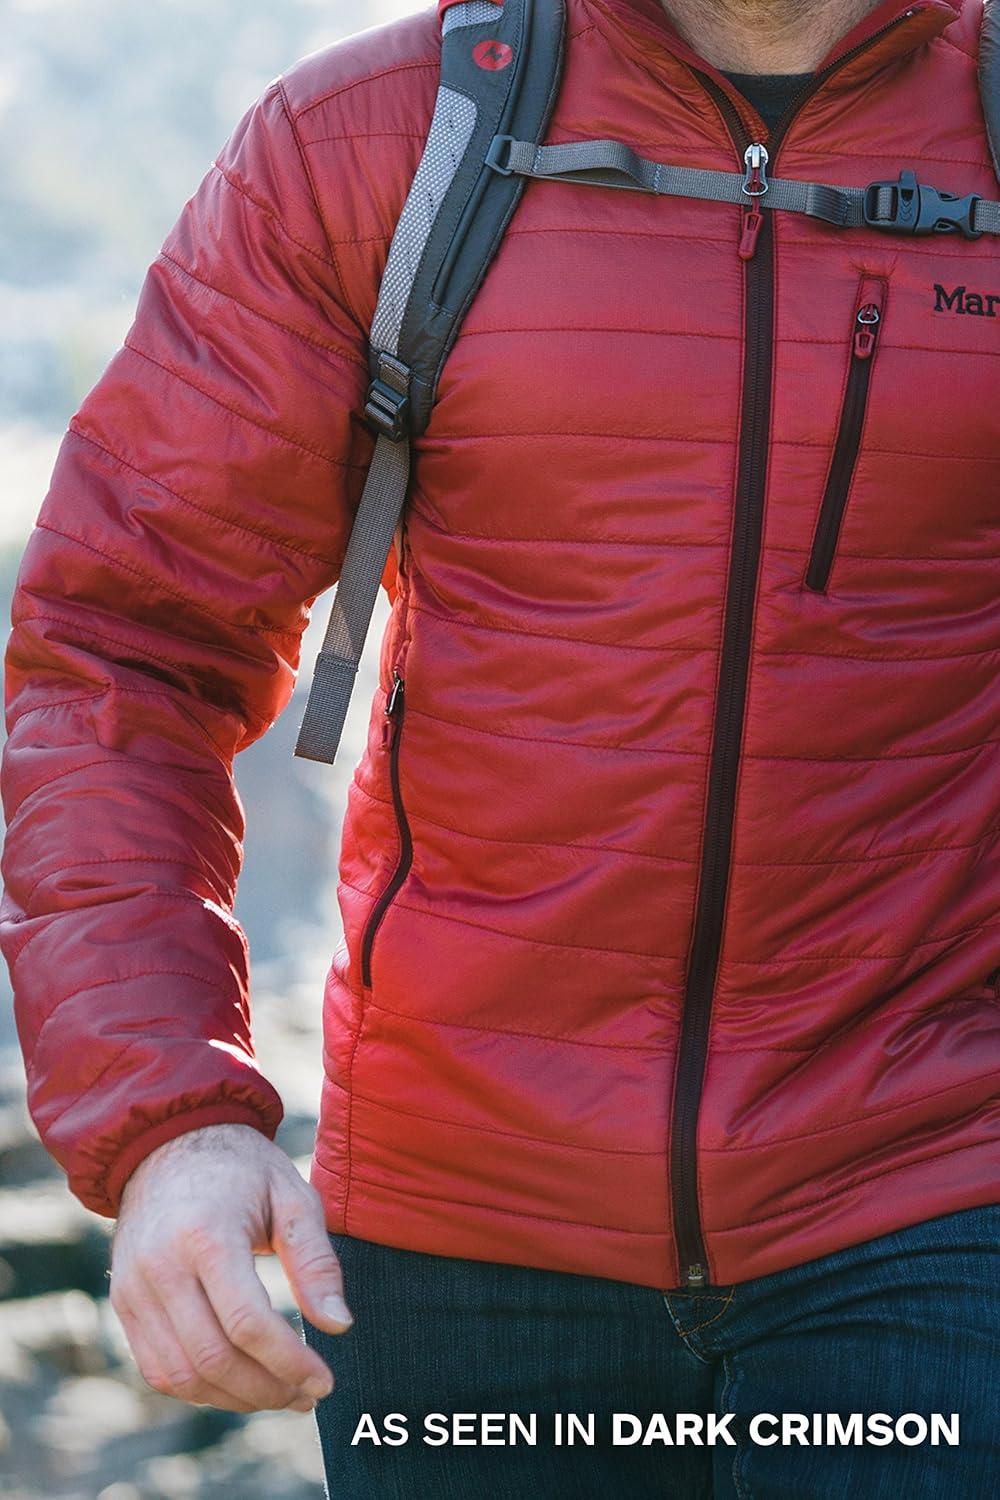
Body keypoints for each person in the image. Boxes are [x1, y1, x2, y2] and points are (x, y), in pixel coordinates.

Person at [3, 0, 998, 1493]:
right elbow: (125, 653)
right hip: (455, 1242)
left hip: (928, 1200)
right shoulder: (374, 144)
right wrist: (172, 1122)